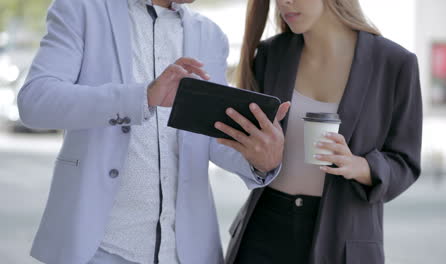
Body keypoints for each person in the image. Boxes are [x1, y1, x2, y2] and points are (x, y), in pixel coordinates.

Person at [17, 0, 290, 263]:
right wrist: (143, 97)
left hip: (184, 252)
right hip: (98, 248)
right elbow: (35, 102)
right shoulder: (82, 9)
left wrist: (258, 161)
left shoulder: (210, 35)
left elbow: (210, 138)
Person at [226, 0, 423, 263]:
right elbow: (253, 149)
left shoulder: (395, 64)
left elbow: (406, 162)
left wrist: (359, 166)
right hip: (264, 230)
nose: (284, 3)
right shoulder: (271, 54)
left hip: (342, 239)